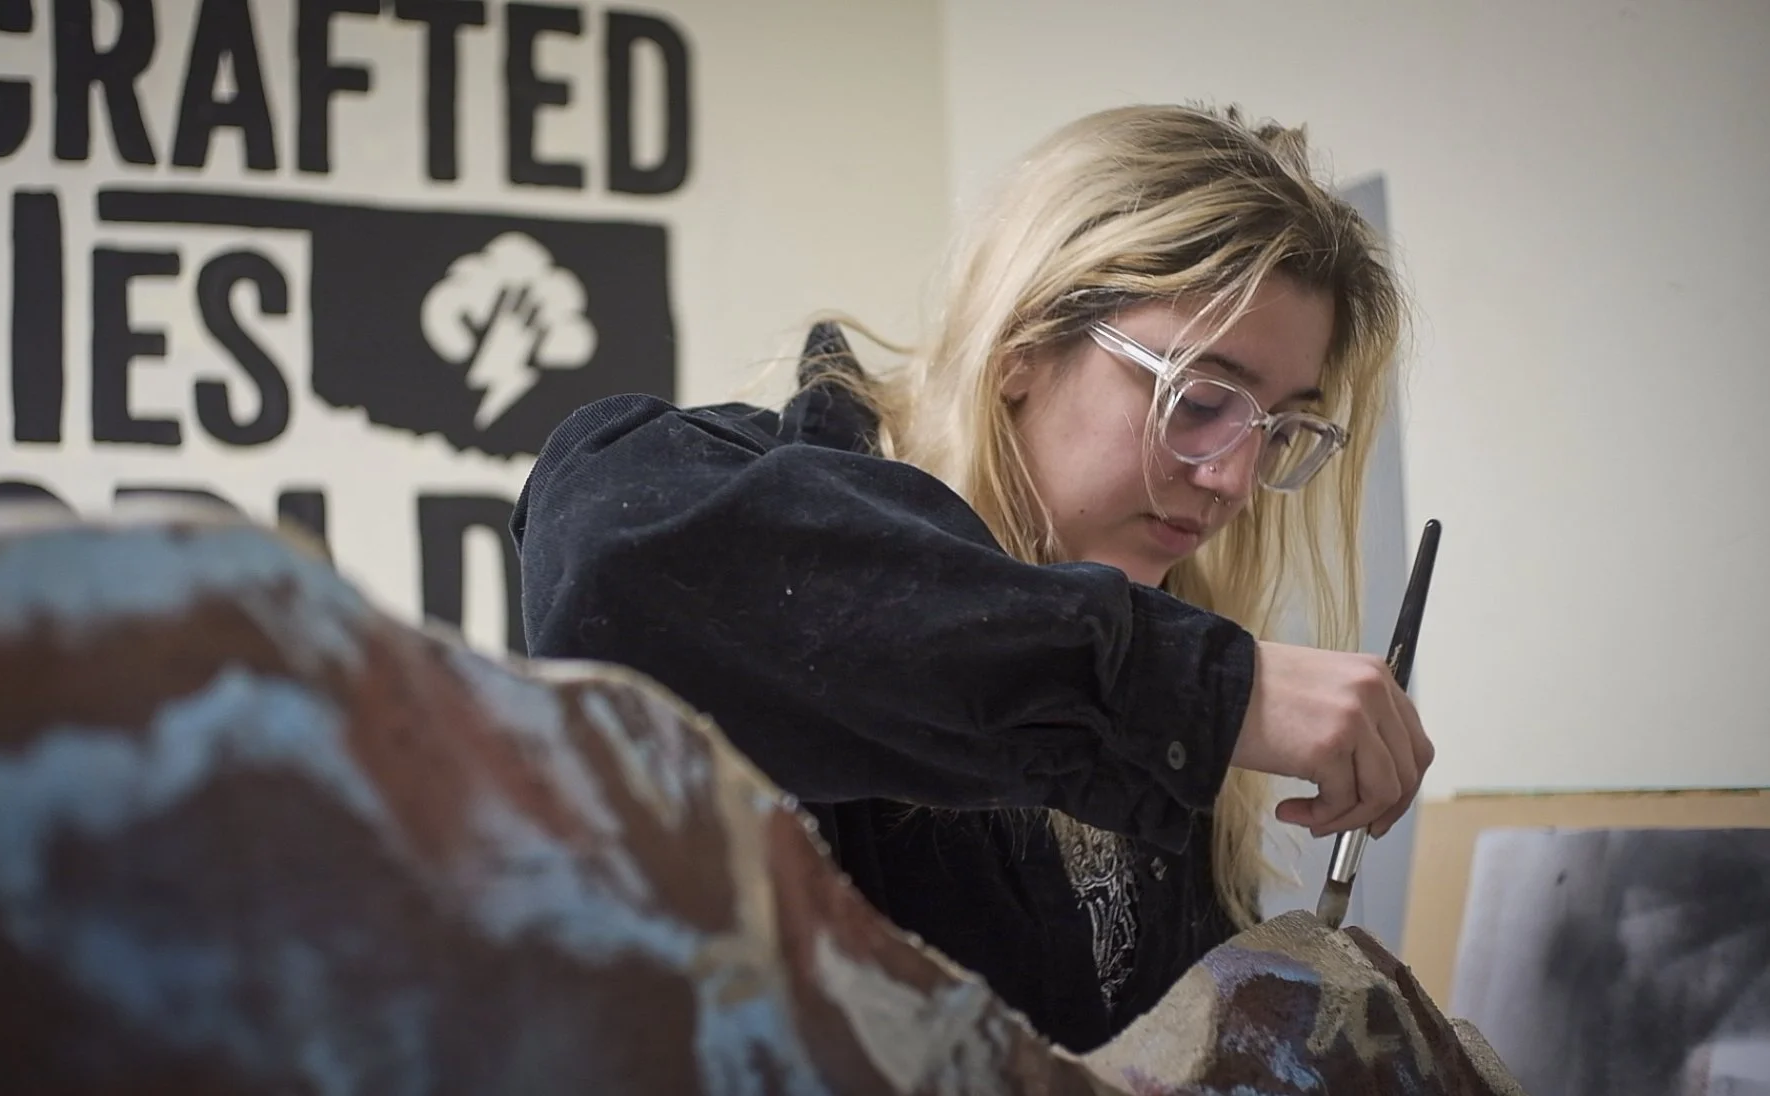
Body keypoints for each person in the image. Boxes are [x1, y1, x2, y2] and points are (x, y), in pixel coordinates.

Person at [510, 103, 1434, 1051]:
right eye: (1199, 402)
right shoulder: (713, 498)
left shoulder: (1156, 670)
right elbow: (613, 569)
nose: (1236, 479)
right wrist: (1206, 692)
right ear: (1024, 346)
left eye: (1279, 429)